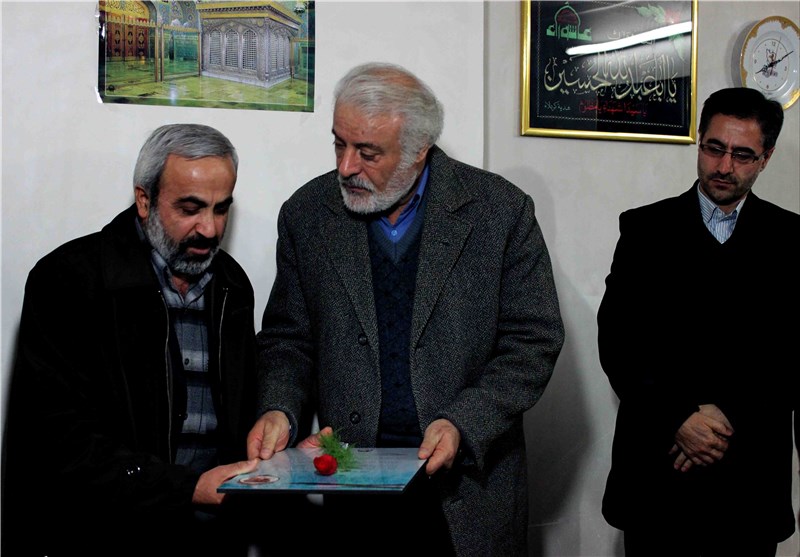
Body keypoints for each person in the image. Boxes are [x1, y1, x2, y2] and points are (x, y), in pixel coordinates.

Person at [247, 62, 565, 556]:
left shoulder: (500, 211)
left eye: (367, 152)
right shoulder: (307, 214)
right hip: (352, 491)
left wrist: (463, 422)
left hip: (468, 490)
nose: (345, 167)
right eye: (338, 144)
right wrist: (279, 408)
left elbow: (533, 341)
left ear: (420, 149)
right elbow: (289, 338)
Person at [1, 124, 295, 556]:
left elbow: (236, 425)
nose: (209, 228)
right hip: (103, 540)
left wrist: (287, 450)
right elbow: (57, 442)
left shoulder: (232, 286)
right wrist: (187, 488)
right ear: (144, 200)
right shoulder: (68, 281)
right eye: (191, 208)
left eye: (221, 209)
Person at [598, 87, 799, 556]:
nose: (724, 166)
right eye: (714, 148)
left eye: (742, 155)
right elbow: (620, 344)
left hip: (750, 484)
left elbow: (792, 355)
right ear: (699, 141)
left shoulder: (793, 240)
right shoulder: (644, 230)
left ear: (766, 158)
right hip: (657, 476)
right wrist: (679, 417)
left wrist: (725, 417)